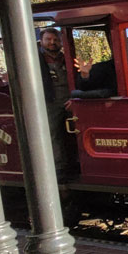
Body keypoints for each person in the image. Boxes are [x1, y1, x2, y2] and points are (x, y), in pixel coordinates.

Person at [37, 28, 74, 176]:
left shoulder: (67, 58)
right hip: (49, 101)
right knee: (53, 134)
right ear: (42, 41)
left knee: (76, 131)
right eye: (49, 39)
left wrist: (74, 98)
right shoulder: (35, 60)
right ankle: (59, 168)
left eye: (56, 39)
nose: (52, 42)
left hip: (70, 99)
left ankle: (76, 164)